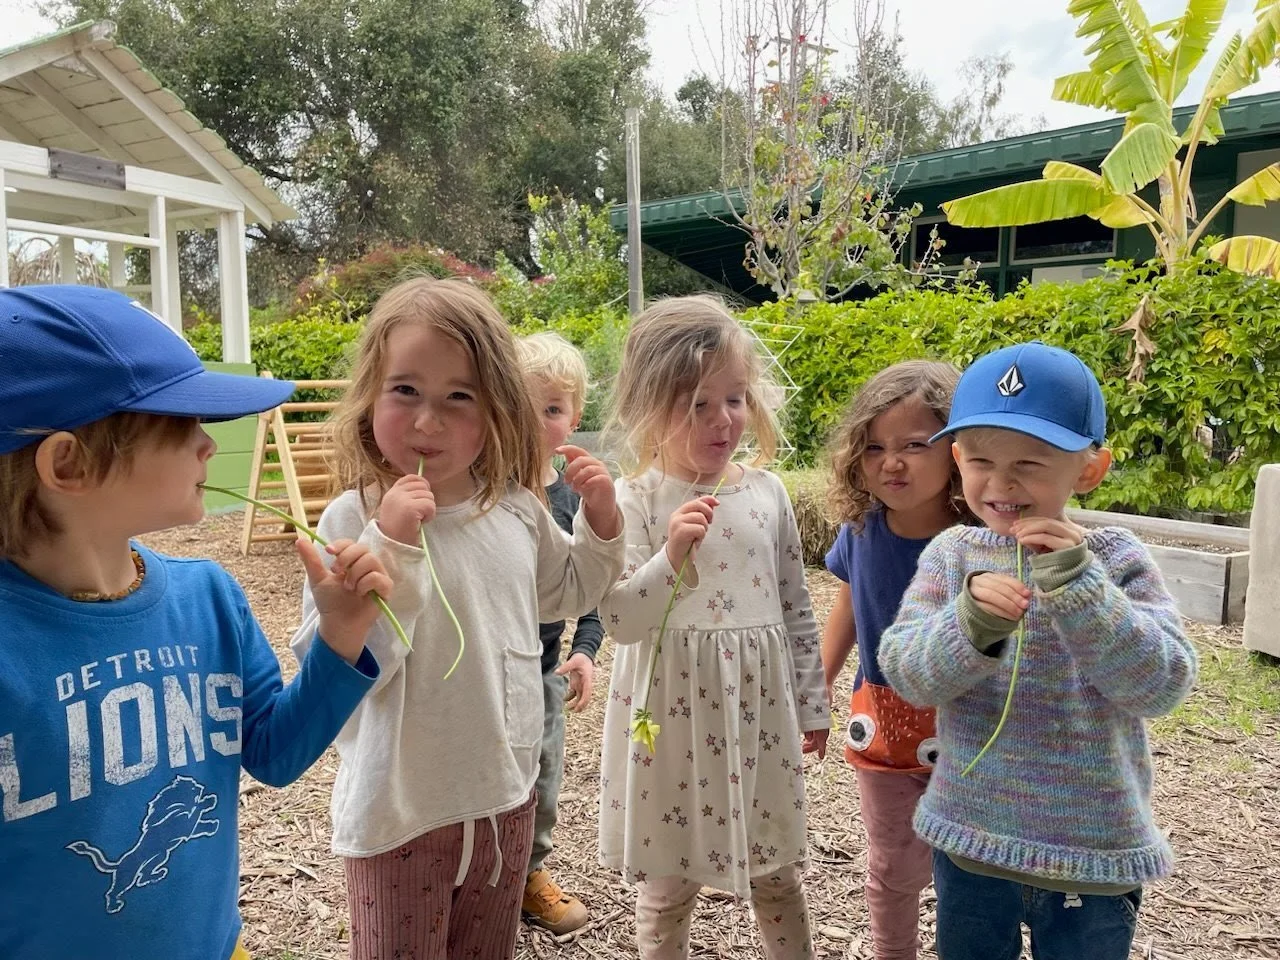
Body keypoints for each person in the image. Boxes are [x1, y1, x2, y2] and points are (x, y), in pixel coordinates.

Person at [0, 285, 389, 960]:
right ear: (68, 463)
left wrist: (341, 634)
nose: (209, 444)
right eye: (181, 422)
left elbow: (274, 752)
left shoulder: (209, 597)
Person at [292, 278, 624, 960]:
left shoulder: (511, 508)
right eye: (405, 390)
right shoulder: (349, 522)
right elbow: (348, 678)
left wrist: (602, 522)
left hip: (505, 800)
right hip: (399, 816)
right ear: (369, 398)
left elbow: (567, 590)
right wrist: (393, 546)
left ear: (498, 409)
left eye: (459, 397)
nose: (427, 422)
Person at [879, 341, 1198, 960]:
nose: (1001, 483)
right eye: (980, 462)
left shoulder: (1115, 560)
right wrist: (969, 623)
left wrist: (1082, 589)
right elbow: (907, 672)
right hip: (971, 842)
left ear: (1089, 470)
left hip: (1092, 857)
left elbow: (1162, 683)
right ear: (955, 459)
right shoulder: (952, 557)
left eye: (1030, 462)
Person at [597, 295, 830, 960]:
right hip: (669, 727)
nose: (723, 419)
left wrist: (812, 702)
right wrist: (670, 557)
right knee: (668, 887)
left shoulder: (767, 494)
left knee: (776, 873)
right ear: (650, 405)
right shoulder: (633, 499)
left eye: (735, 398)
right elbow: (619, 619)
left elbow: (794, 606)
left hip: (757, 717)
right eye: (697, 403)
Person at [820, 360, 968, 960]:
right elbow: (850, 605)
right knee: (891, 864)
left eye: (914, 444)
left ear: (957, 449)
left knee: (967, 867)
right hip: (882, 721)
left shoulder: (980, 535)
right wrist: (816, 686)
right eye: (875, 446)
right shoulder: (861, 531)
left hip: (968, 727)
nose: (892, 462)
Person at [513, 331, 605, 934]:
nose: (537, 422)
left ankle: (528, 876)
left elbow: (594, 584)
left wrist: (585, 652)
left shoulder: (575, 491)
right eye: (523, 406)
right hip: (484, 665)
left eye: (552, 409)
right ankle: (485, 877)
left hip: (544, 664)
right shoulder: (484, 488)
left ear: (573, 417)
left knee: (544, 777)